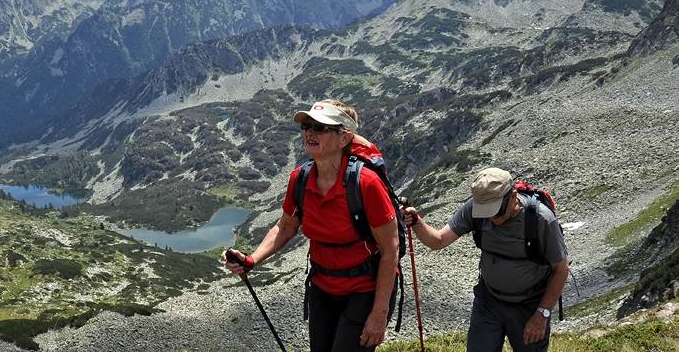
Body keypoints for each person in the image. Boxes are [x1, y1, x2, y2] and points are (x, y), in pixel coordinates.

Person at [223, 99, 399, 351]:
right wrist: (251, 260)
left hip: (364, 290)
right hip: (322, 288)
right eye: (306, 126)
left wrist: (379, 314)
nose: (309, 133)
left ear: (344, 137)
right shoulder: (301, 178)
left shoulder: (367, 183)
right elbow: (285, 227)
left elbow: (390, 251)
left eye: (320, 127)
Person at [402, 167, 569, 352]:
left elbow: (561, 269)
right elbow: (438, 241)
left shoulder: (541, 220)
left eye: (495, 210)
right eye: (484, 211)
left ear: (512, 196)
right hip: (489, 300)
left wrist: (542, 315)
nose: (489, 216)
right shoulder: (475, 208)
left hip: (530, 305)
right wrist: (418, 222)